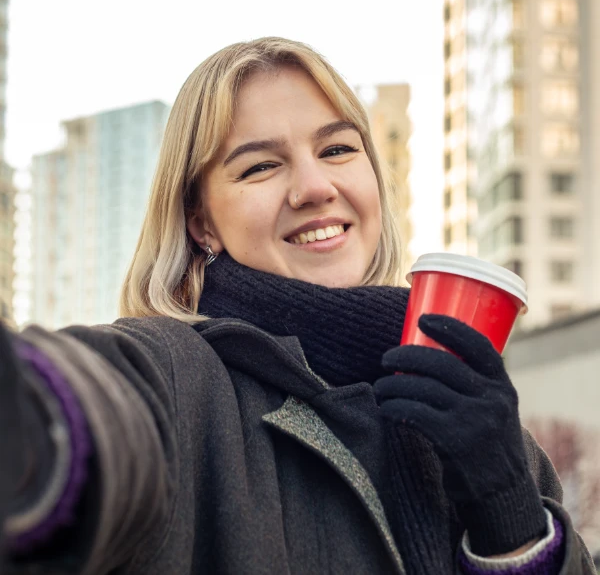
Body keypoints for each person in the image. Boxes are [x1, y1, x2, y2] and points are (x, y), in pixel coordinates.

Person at [0, 36, 594, 575]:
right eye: (261, 166)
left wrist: (512, 523)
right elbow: (73, 408)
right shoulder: (175, 379)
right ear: (201, 222)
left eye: (336, 149)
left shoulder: (488, 428)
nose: (314, 187)